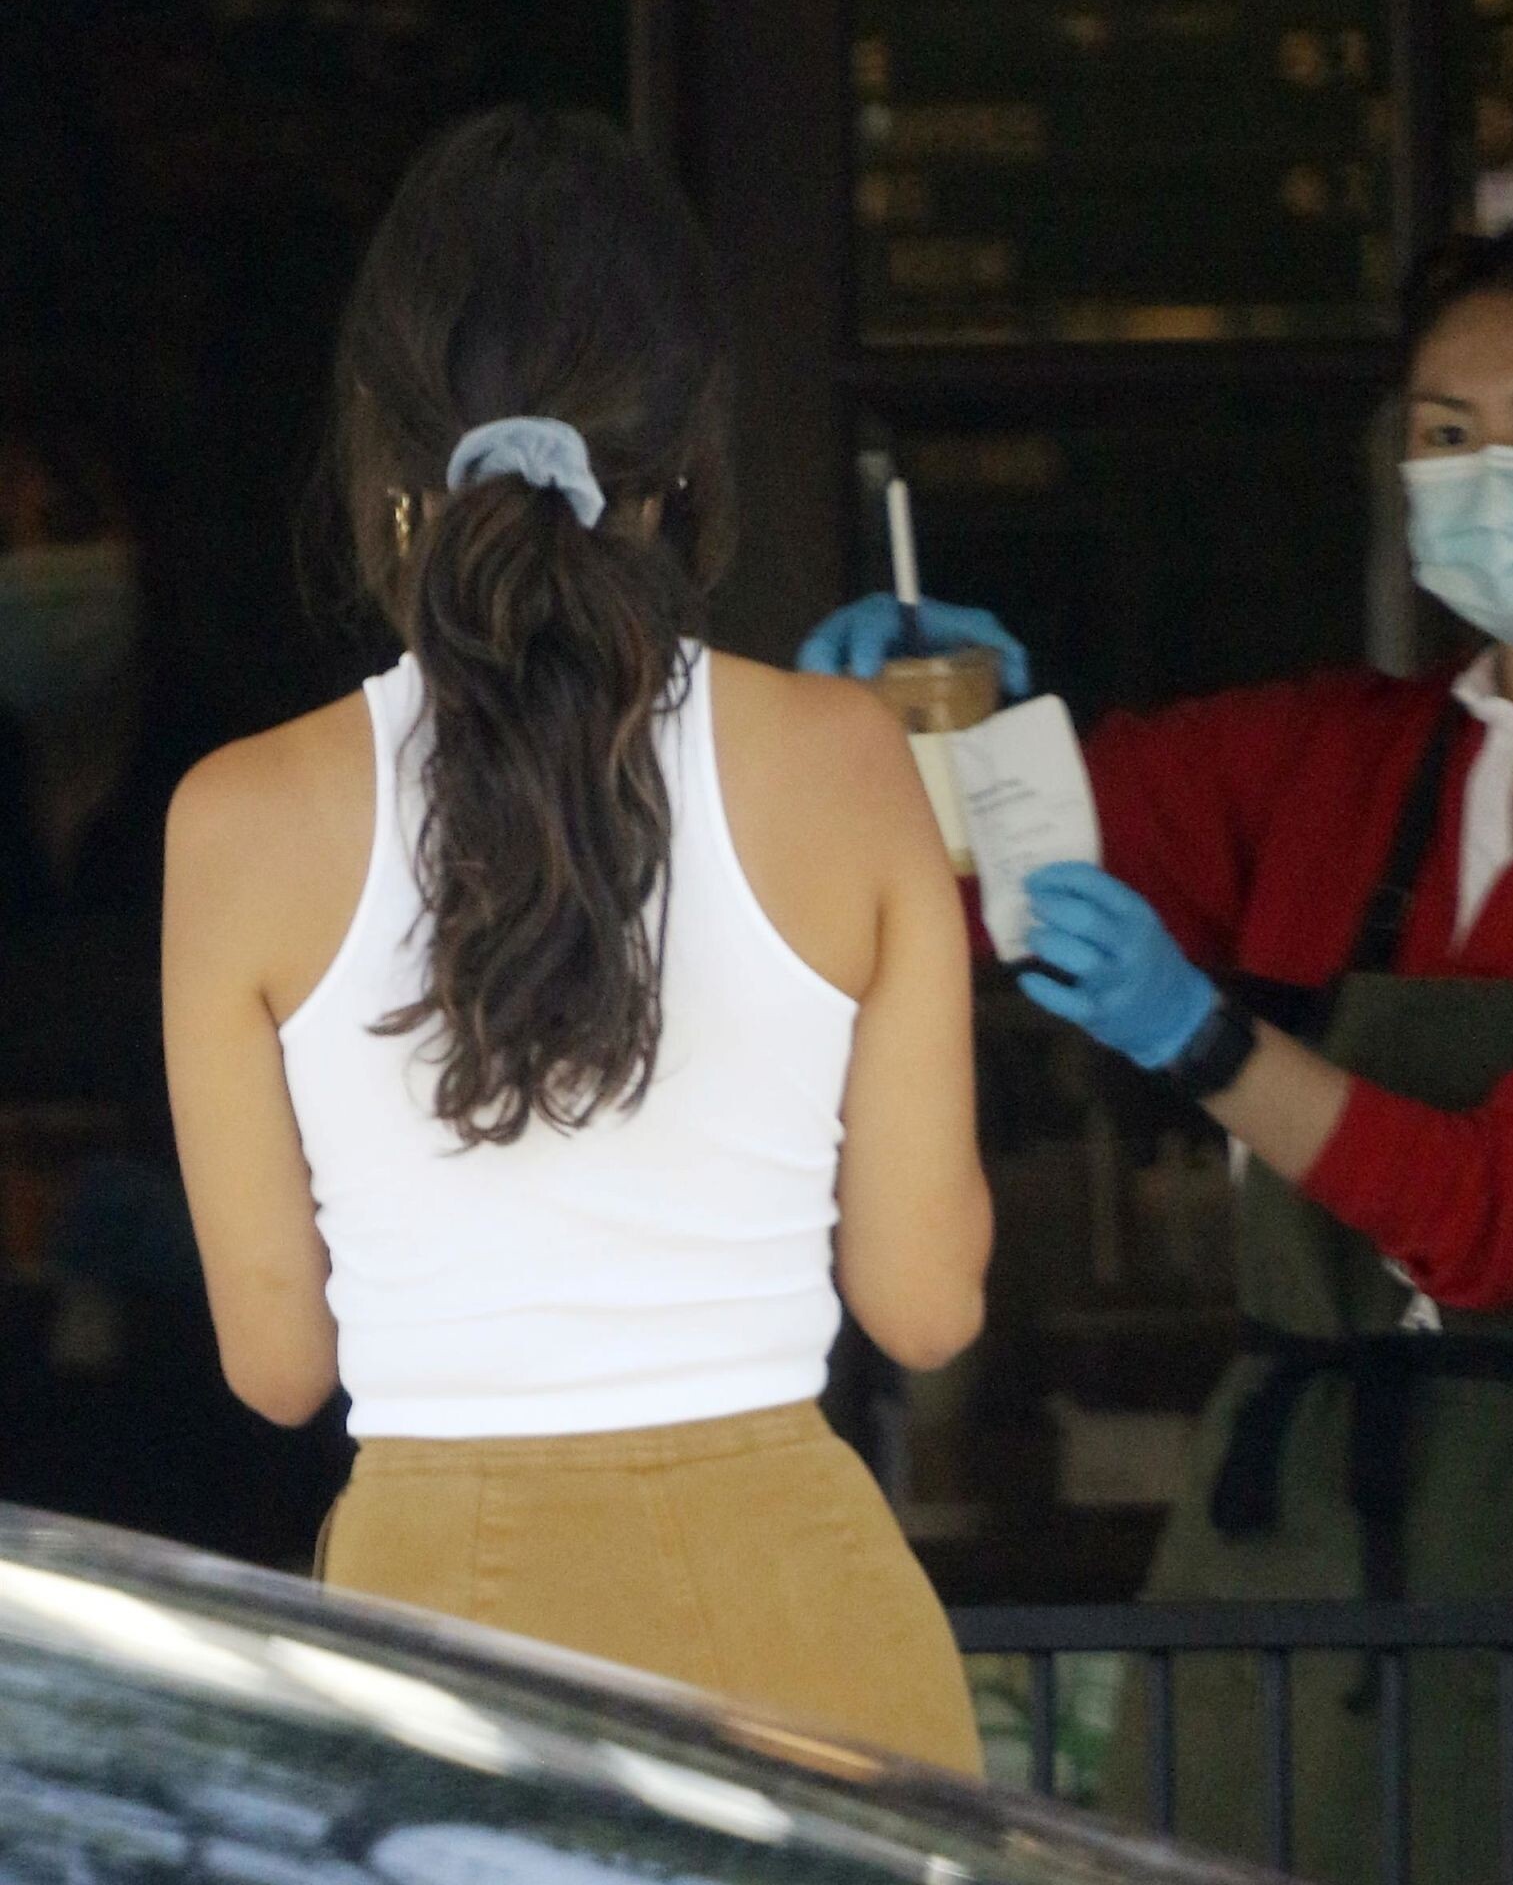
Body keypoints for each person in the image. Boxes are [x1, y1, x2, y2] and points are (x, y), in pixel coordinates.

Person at [801, 201, 1513, 1885]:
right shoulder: (1335, 763)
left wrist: (1205, 1040)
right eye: (1444, 434)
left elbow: (1506, 1217)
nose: (1486, 476)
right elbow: (963, 878)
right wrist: (923, 732)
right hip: (1269, 1561)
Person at [163, 105, 991, 1773]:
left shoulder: (240, 819)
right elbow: (921, 1307)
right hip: (808, 1608)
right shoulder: (844, 762)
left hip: (439, 1615)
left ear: (386, 451)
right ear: (683, 452)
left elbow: (276, 1365)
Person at [0, 402, 348, 1560]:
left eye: (66, 527)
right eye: (4, 539)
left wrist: (153, 1222)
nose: (32, 570)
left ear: (142, 545)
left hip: (217, 1440)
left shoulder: (237, 780)